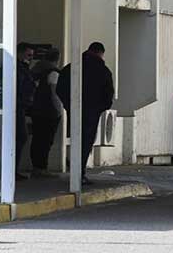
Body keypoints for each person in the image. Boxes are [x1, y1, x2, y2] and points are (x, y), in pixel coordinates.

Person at [56, 42, 114, 185]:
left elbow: (60, 88)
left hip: (75, 109)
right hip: (92, 112)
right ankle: (79, 173)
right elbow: (108, 93)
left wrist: (69, 105)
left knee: (75, 140)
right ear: (101, 53)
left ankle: (75, 170)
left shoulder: (72, 67)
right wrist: (100, 108)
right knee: (86, 143)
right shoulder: (103, 71)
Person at [30, 48, 63, 178]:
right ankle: (42, 168)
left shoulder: (37, 69)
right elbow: (54, 94)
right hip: (49, 111)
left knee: (37, 139)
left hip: (36, 109)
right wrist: (59, 110)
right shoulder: (53, 72)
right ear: (57, 59)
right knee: (46, 140)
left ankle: (36, 167)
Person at [16, 42, 36, 180]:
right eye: (28, 55)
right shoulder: (17, 68)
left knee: (21, 137)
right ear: (20, 53)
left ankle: (13, 169)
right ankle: (11, 170)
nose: (31, 58)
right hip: (17, 107)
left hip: (21, 107)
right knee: (20, 137)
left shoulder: (22, 68)